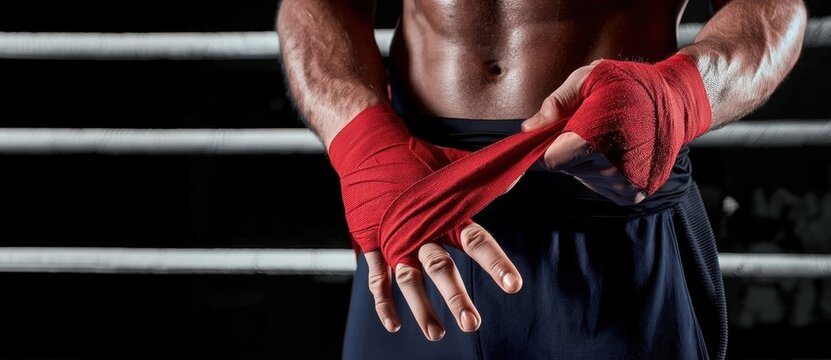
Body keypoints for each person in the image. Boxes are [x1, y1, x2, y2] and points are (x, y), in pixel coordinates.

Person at [277, 0, 806, 358]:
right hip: (415, 206)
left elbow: (772, 9)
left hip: (610, 194)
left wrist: (677, 96)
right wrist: (363, 143)